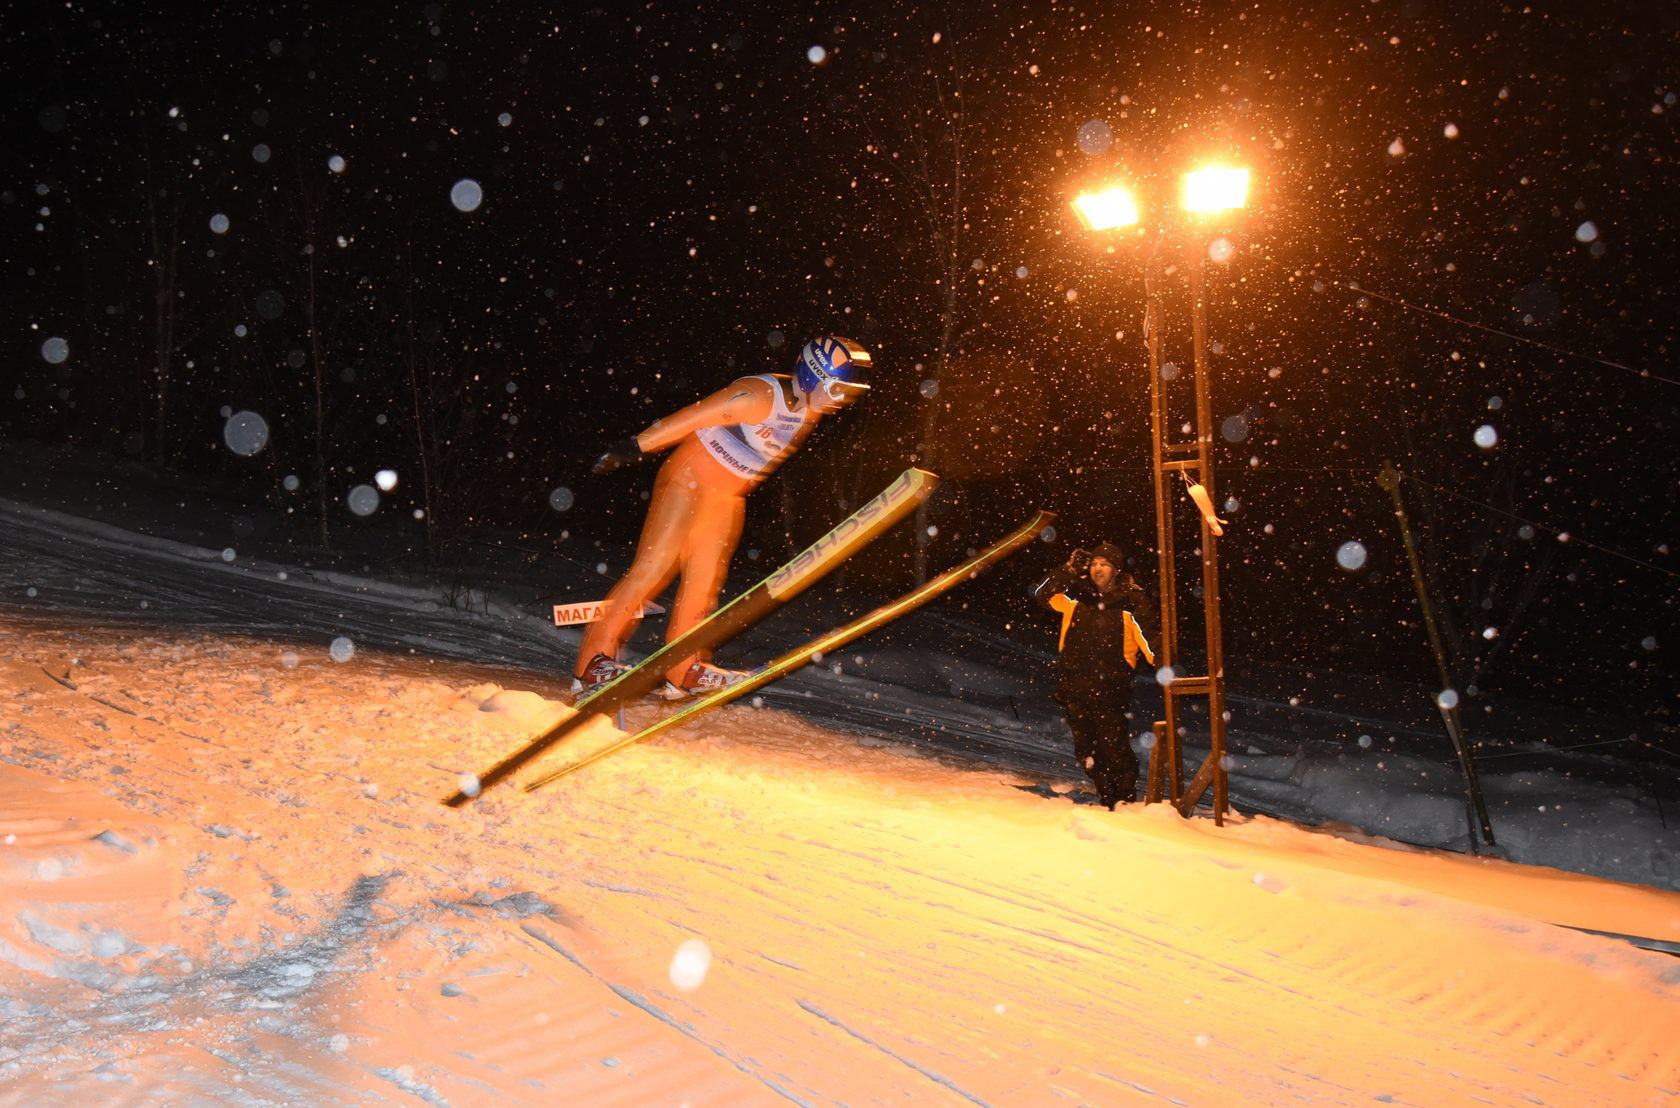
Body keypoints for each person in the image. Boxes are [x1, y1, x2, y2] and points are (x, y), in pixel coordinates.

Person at [575, 336, 871, 699]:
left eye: (850, 393)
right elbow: (692, 416)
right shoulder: (757, 396)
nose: (841, 401)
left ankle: (684, 668)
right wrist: (635, 447)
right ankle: (592, 664)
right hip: (688, 481)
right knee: (652, 570)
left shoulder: (809, 412)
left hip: (726, 497)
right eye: (838, 389)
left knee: (704, 585)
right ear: (812, 377)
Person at [1030, 541, 1155, 808]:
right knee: (1086, 749)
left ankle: (1123, 799)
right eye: (1095, 564)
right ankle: (1106, 794)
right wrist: (1066, 570)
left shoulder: (1131, 601)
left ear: (1117, 569)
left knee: (1114, 746)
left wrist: (1169, 667)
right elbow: (1040, 593)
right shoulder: (1075, 597)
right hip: (1074, 684)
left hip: (1111, 687)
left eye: (1105, 564)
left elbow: (1151, 639)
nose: (1099, 569)